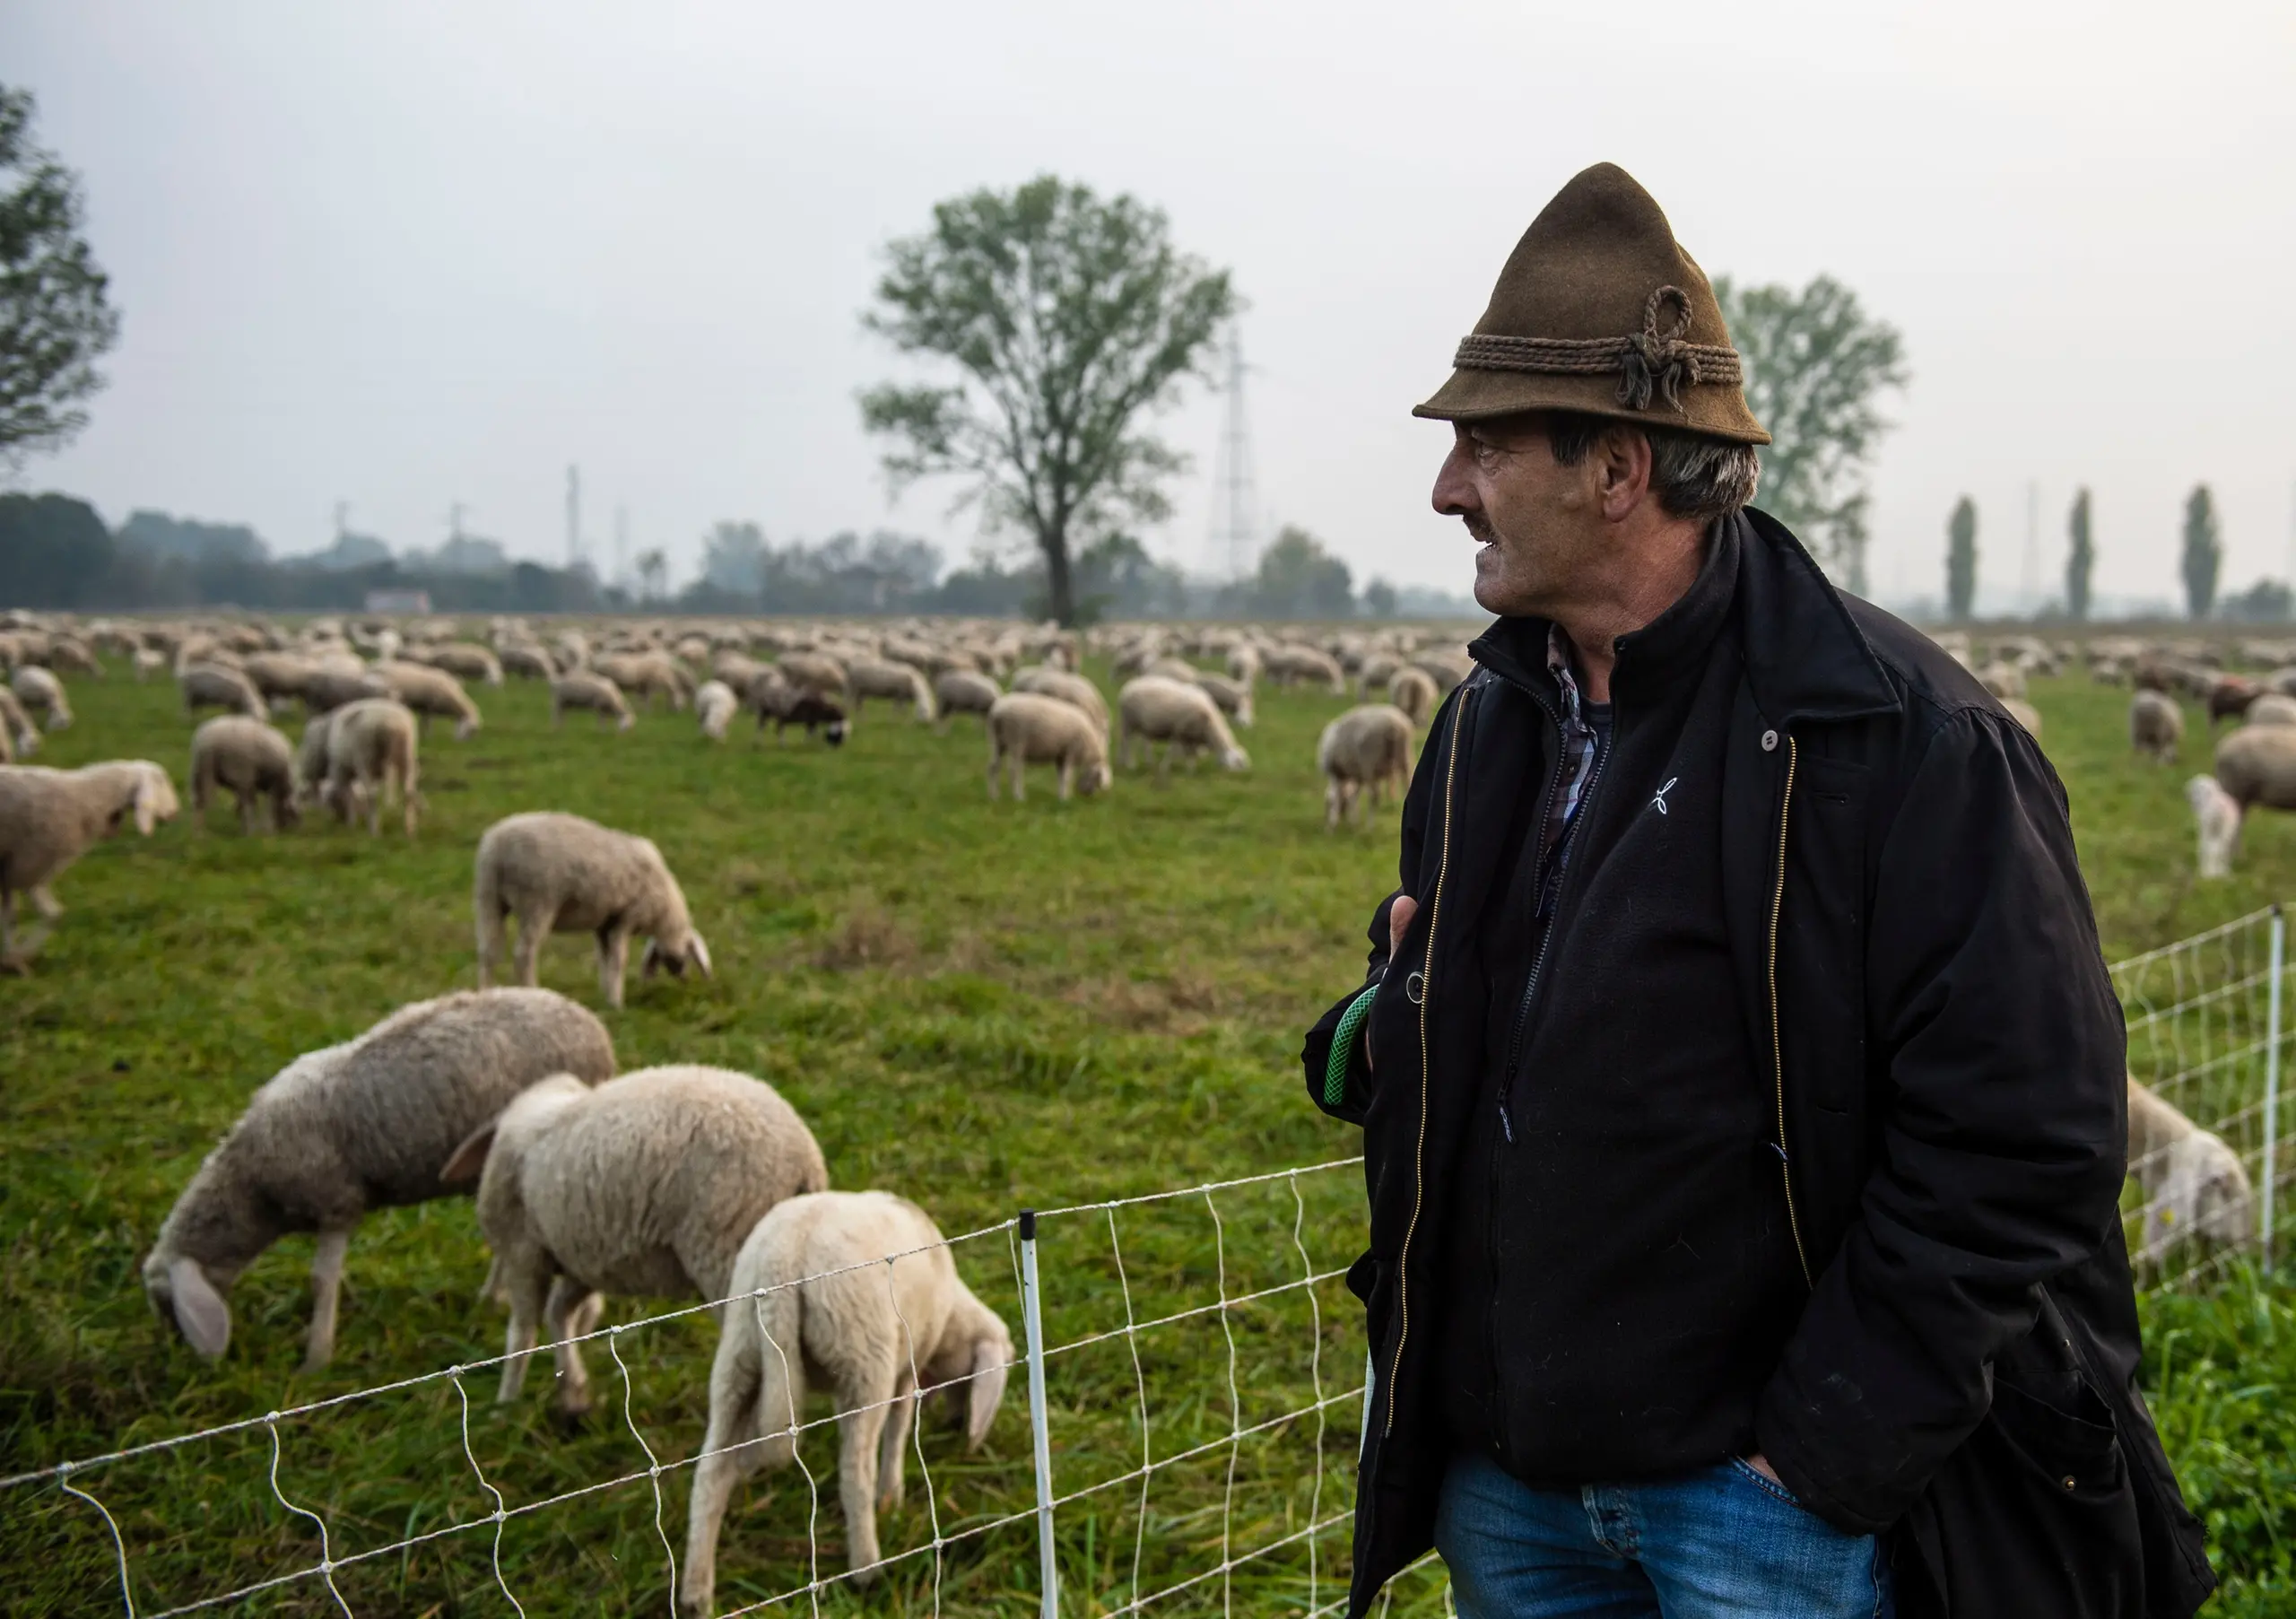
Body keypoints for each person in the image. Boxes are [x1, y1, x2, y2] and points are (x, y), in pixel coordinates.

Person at [1302, 162, 2213, 1619]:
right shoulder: (1488, 728)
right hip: (1514, 1492)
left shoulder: (1904, 741)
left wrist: (1819, 1456)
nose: (1447, 487)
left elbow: (2027, 1131)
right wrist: (1394, 1018)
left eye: (1484, 443)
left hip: (1761, 1516)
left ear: (1620, 466)